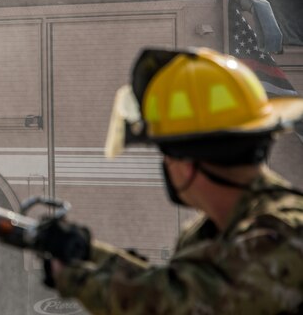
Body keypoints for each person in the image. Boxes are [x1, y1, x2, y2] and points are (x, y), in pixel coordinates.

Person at [46, 47, 303, 314]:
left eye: (165, 154)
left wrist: (75, 277)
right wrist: (87, 252)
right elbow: (180, 285)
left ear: (186, 164)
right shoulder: (217, 230)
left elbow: (186, 305)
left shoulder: (283, 235)